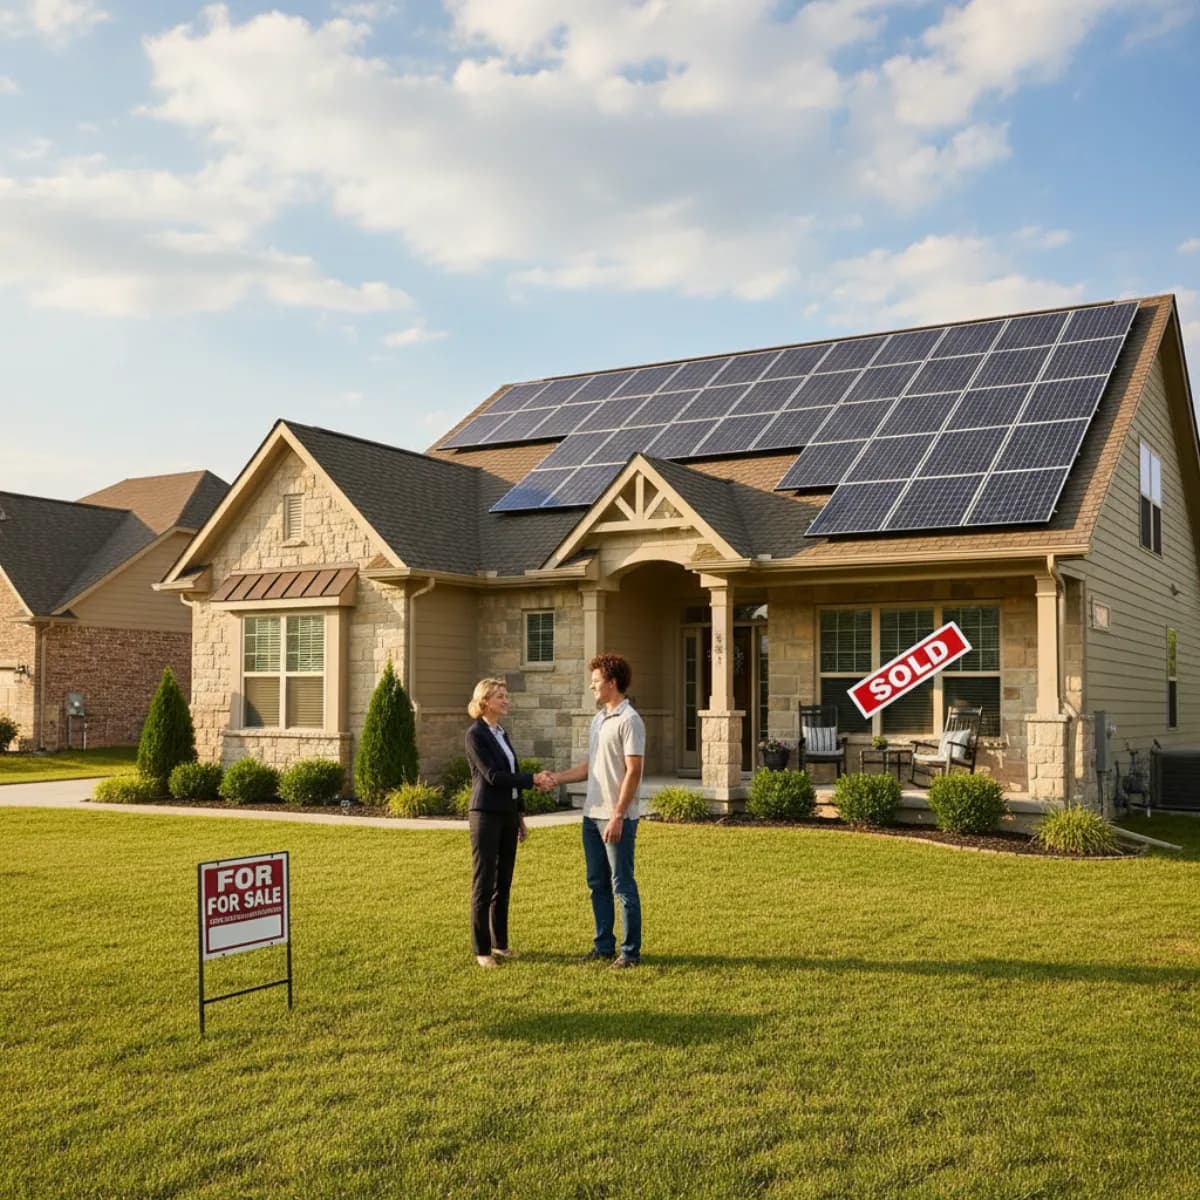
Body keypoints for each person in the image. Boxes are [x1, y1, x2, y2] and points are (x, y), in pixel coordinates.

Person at [546, 654, 645, 969]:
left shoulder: (630, 720)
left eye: (596, 682)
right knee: (597, 884)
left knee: (622, 885)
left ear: (612, 683)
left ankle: (629, 953)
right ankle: (603, 946)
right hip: (591, 816)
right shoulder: (599, 719)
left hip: (616, 818)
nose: (592, 686)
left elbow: (633, 771)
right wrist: (557, 778)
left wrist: (617, 815)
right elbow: (593, 766)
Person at [464, 678, 554, 969]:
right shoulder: (475, 735)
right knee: (484, 883)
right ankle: (482, 950)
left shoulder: (502, 733)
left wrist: (519, 817)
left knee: (504, 883)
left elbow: (509, 776)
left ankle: (500, 944)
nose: (506, 700)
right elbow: (493, 776)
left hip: (506, 815)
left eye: (506, 695)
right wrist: (533, 780)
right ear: (485, 701)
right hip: (485, 815)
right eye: (500, 696)